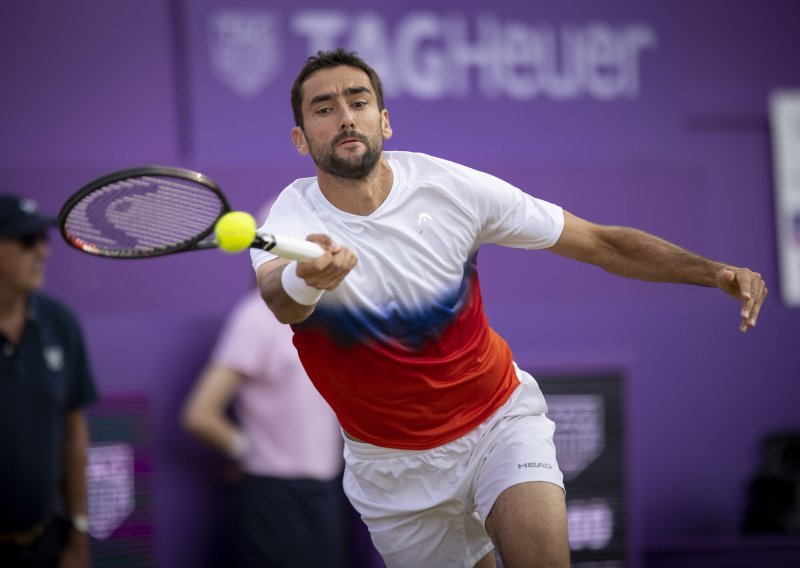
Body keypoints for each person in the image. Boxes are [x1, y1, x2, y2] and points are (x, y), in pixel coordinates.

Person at [251, 49, 768, 568]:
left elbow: (601, 243)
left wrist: (713, 272)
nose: (344, 116)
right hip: (390, 470)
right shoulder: (292, 214)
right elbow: (280, 302)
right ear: (301, 138)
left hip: (496, 423)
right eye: (323, 108)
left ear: (383, 121)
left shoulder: (452, 189)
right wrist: (306, 277)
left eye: (358, 101)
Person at [181, 203, 352, 568]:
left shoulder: (332, 319)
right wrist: (251, 451)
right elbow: (200, 414)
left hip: (328, 496)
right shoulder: (255, 317)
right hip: (272, 500)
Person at [0, 194, 98, 568]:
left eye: (43, 240)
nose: (43, 253)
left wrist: (78, 532)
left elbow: (74, 429)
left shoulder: (60, 323)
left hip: (45, 545)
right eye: (27, 242)